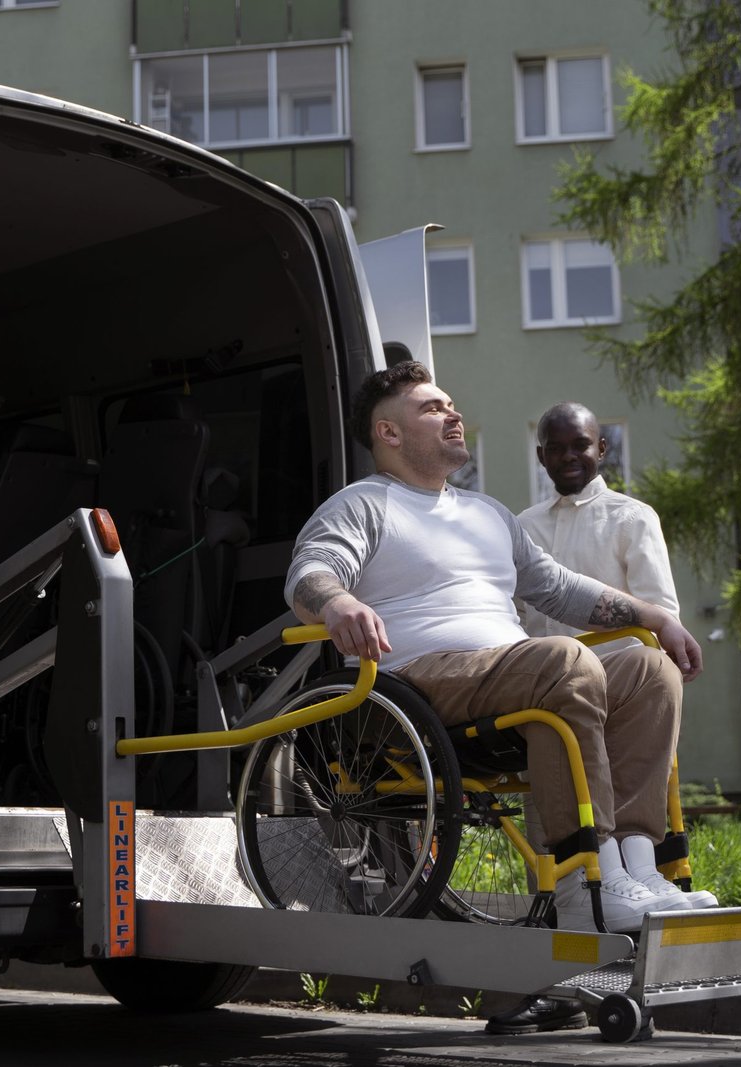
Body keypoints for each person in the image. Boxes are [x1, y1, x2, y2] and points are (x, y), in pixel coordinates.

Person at [284, 362, 704, 954]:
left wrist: (655, 618)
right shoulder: (363, 504)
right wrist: (339, 604)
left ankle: (637, 870)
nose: (453, 413)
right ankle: (586, 886)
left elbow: (558, 587)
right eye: (433, 408)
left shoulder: (488, 513)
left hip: (511, 672)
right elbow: (309, 574)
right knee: (562, 660)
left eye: (452, 404)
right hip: (415, 684)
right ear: (389, 434)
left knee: (648, 667)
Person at [517, 401, 716, 910]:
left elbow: (660, 611)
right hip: (546, 682)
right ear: (540, 456)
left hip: (622, 682)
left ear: (601, 449)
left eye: (580, 444)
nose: (569, 456)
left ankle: (642, 873)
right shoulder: (521, 527)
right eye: (556, 448)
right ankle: (573, 890)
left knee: (652, 675)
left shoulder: (631, 517)